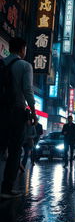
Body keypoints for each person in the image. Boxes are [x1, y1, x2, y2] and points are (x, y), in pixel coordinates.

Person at [0, 37, 36, 198]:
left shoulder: (1, 63)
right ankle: (7, 188)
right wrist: (33, 111)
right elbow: (27, 90)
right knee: (15, 150)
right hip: (16, 111)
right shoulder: (24, 65)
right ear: (23, 49)